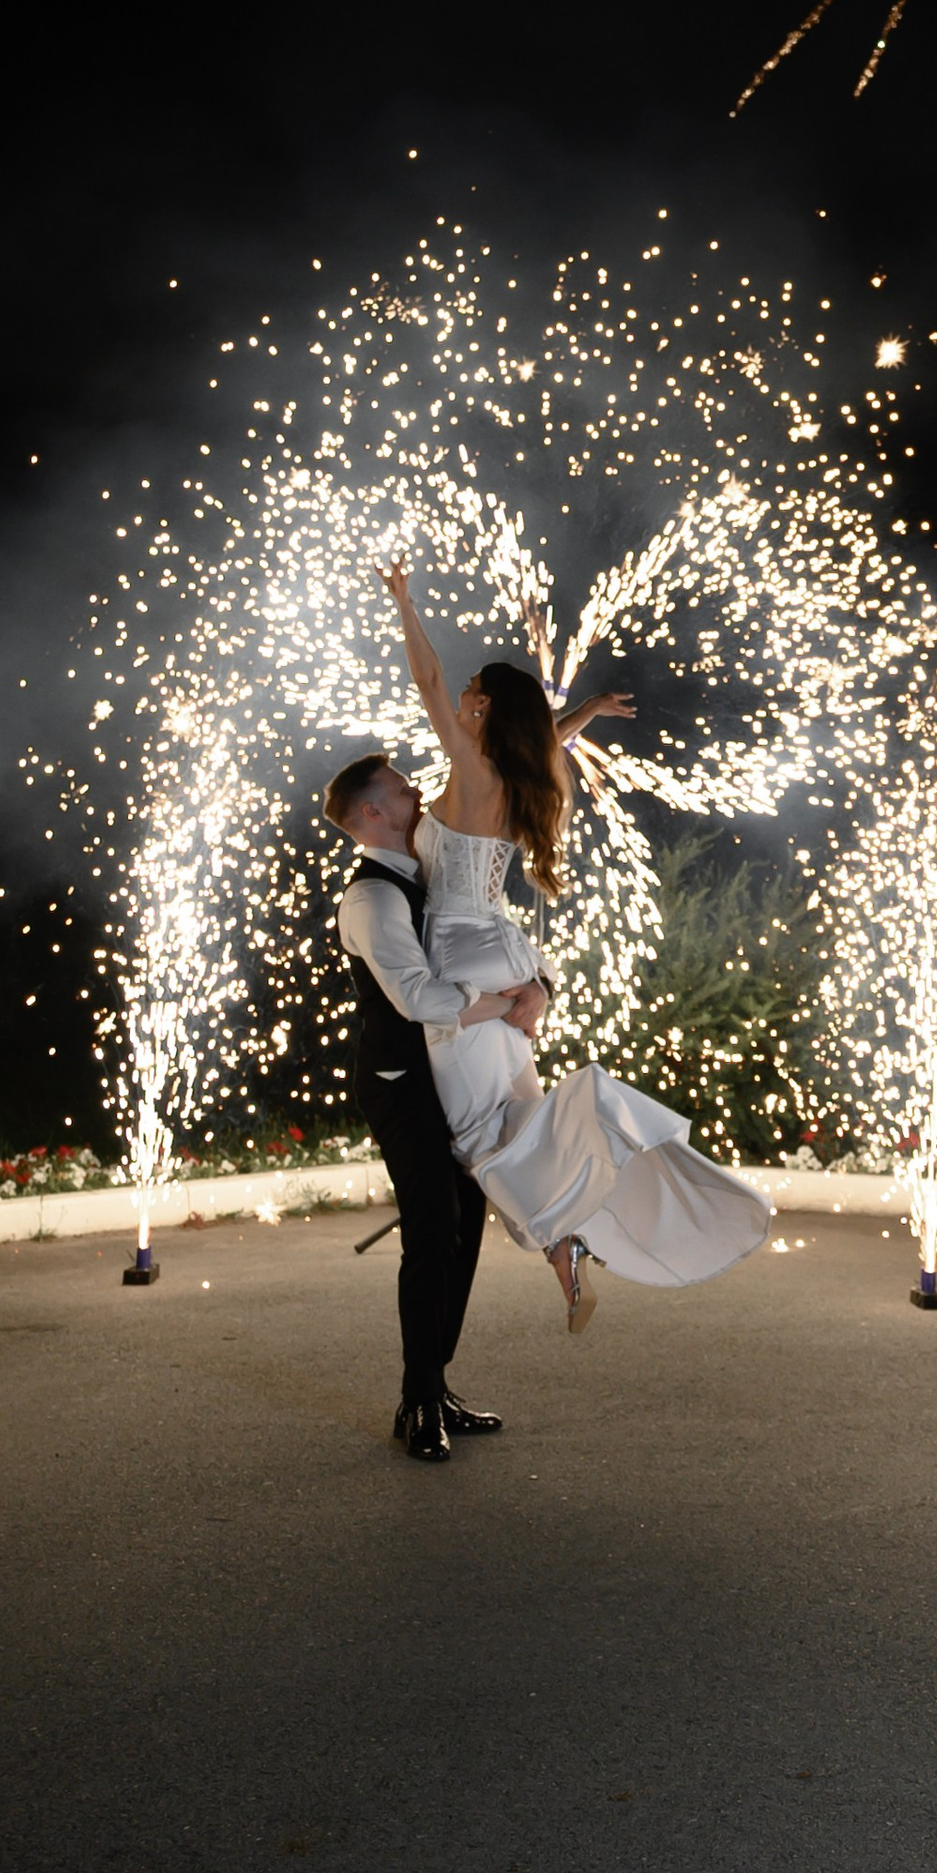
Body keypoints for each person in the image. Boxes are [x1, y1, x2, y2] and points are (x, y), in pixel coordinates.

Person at [376, 558, 771, 1335]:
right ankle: (564, 1239)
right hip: (504, 952)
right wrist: (581, 713)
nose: (454, 705)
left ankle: (566, 1221)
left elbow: (427, 681)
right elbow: (534, 737)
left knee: (475, 1136)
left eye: (468, 699)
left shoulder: (473, 764)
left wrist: (406, 604)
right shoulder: (515, 773)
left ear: (483, 705)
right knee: (515, 1118)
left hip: (458, 956)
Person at [326, 748, 524, 1463]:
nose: (420, 795)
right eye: (404, 790)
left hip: (444, 1077)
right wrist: (503, 1005)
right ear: (372, 814)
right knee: (434, 1227)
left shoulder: (421, 882)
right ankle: (417, 1402)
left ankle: (435, 1386)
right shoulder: (372, 898)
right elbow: (418, 999)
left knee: (464, 1226)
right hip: (399, 1084)